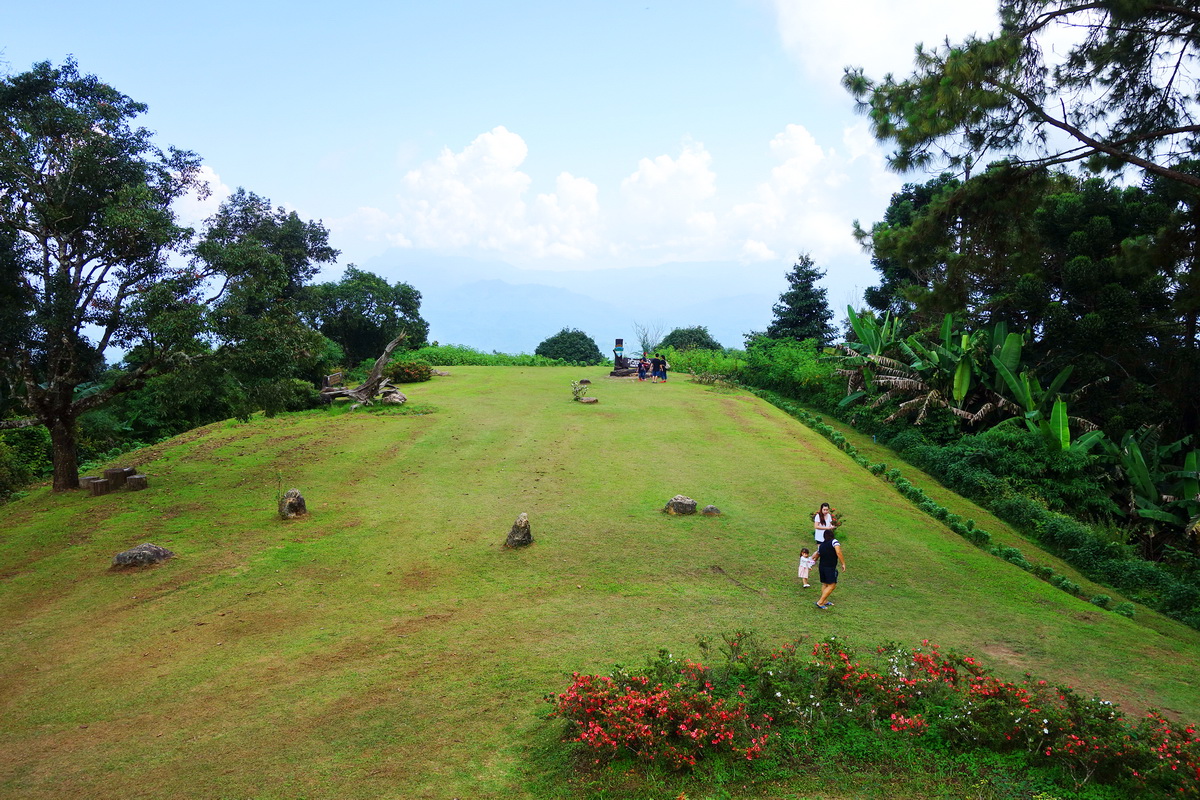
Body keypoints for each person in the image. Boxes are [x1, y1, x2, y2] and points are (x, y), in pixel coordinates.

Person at [815, 529, 846, 609]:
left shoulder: (821, 545)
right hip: (830, 567)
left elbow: (817, 554)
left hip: (822, 566)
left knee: (825, 584)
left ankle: (824, 601)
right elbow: (838, 552)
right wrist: (843, 563)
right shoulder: (834, 542)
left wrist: (812, 561)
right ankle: (820, 602)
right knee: (832, 585)